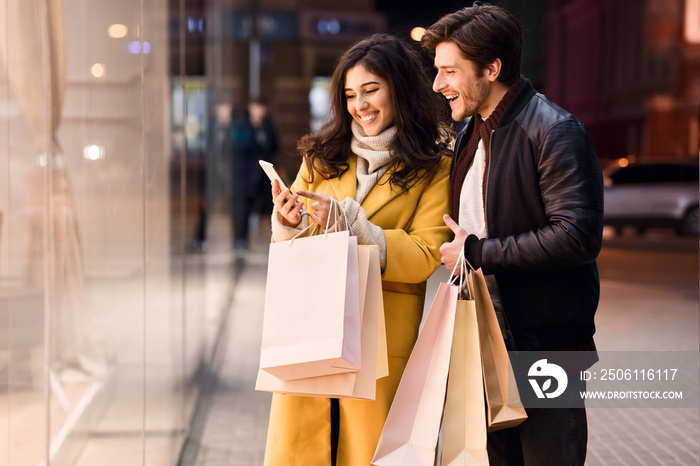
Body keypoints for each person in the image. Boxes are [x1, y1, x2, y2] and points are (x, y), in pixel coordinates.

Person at [422, 3, 604, 465]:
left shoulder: (555, 130)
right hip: (486, 340)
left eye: (449, 71)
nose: (437, 84)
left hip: (545, 345)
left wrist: (479, 251)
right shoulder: (471, 134)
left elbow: (577, 236)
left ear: (492, 68)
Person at [263, 33, 452, 465]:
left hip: (380, 341)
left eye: (371, 90)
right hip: (311, 332)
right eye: (350, 94)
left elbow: (426, 253)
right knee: (305, 448)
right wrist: (288, 224)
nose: (359, 105)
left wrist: (351, 224)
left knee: (370, 452)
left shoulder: (435, 167)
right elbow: (289, 243)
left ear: (400, 91)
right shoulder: (320, 157)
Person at [230, 97, 278, 250]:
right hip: (245, 174)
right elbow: (238, 146)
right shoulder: (242, 124)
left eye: (262, 108)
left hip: (262, 175)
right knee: (243, 208)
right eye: (257, 107)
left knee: (271, 206)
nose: (260, 111)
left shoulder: (267, 125)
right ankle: (240, 240)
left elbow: (273, 146)